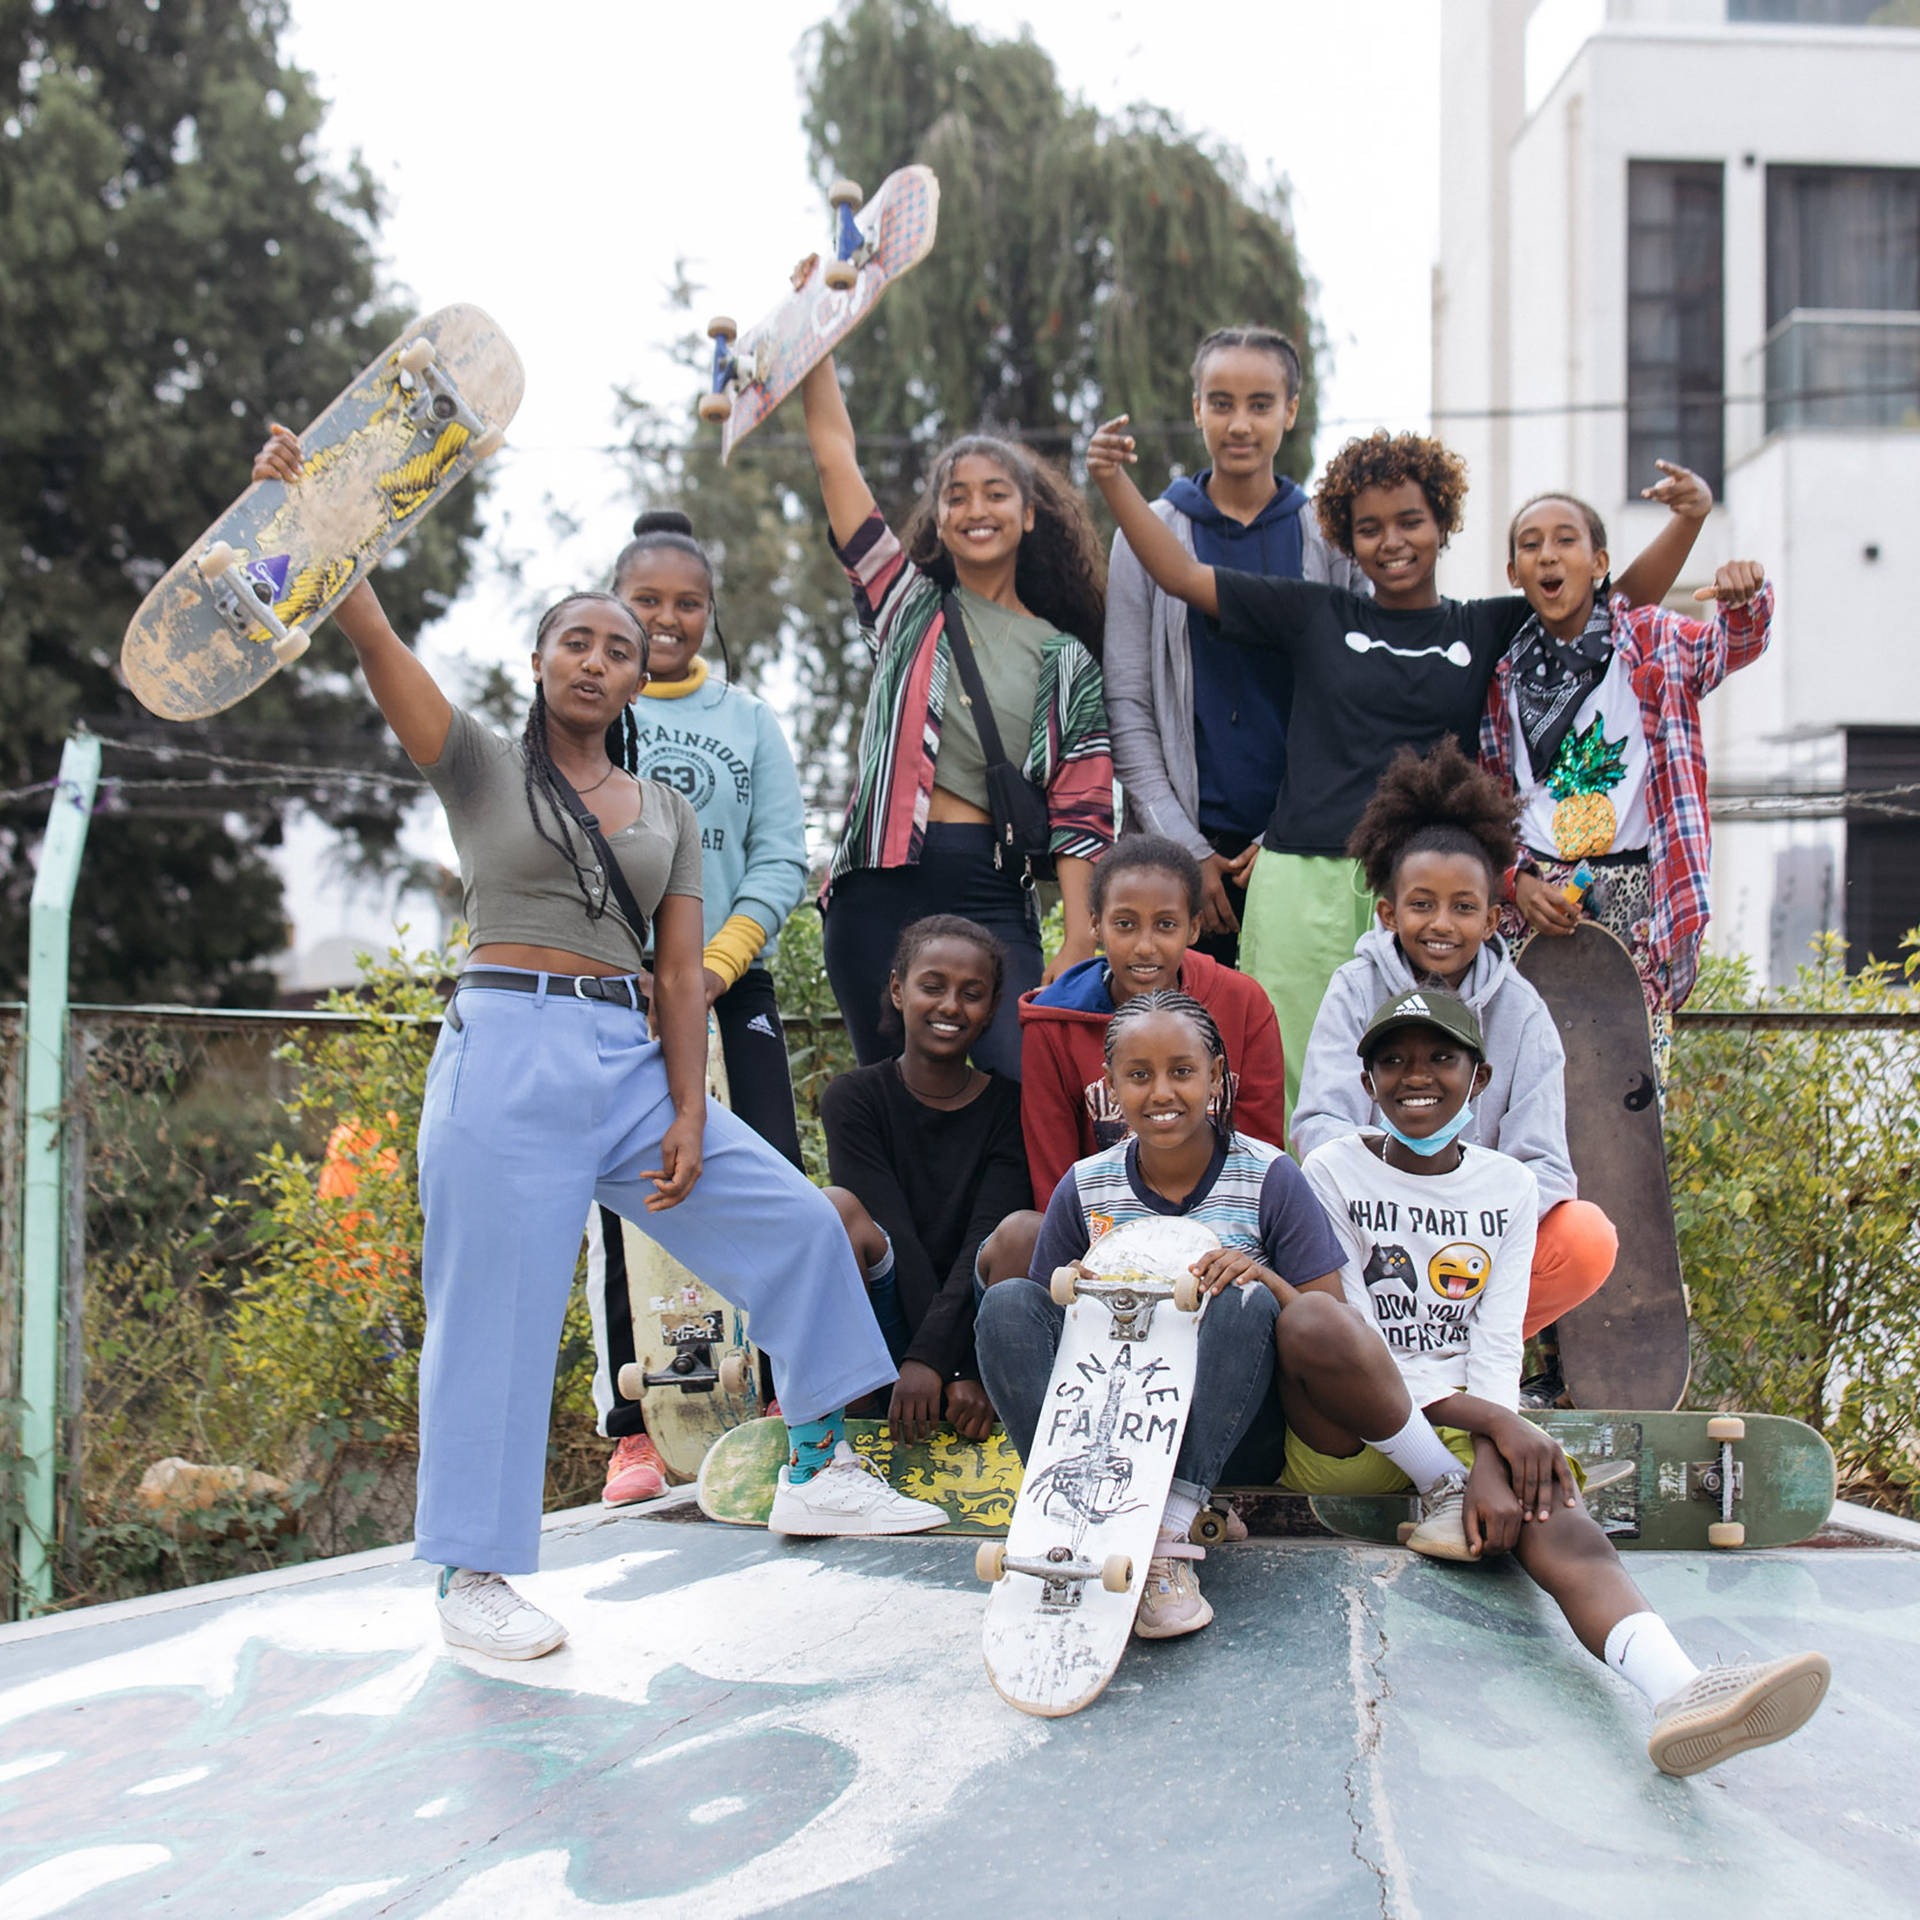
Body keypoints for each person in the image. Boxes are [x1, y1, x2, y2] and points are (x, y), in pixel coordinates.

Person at [249, 427, 946, 1660]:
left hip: (629, 1063)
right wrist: (309, 515)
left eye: (619, 649)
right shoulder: (477, 765)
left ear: (637, 681)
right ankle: (472, 1579)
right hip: (505, 1053)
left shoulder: (665, 808)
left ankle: (817, 1465)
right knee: (495, 1320)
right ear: (539, 660)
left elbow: (683, 973)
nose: (598, 658)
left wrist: (687, 1110)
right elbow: (374, 639)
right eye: (578, 637)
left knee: (792, 1222)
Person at [1086, 416, 1712, 1126]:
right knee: (1289, 1077)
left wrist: (1688, 523)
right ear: (1347, 539)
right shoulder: (1314, 613)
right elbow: (1181, 574)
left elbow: (1607, 606)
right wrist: (1111, 480)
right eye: (1369, 527)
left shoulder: (1487, 626)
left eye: (1410, 521)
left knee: (1419, 1086)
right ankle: (1288, 1229)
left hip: (1426, 893)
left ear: (1441, 523)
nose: (1392, 542)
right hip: (1303, 883)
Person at [1281, 986, 1830, 1776]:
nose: (1417, 1076)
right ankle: (1444, 1483)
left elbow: (1499, 1340)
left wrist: (1500, 1448)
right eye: (1393, 1061)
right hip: (1355, 1424)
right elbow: (1365, 1343)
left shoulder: (1508, 1185)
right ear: (1366, 1083)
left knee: (1557, 1513)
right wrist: (1500, 1427)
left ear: (1481, 1076)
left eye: (1442, 1057)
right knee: (1315, 1323)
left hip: (1463, 1422)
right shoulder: (1332, 1168)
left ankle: (1681, 1691)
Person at [975, 990, 1346, 1639]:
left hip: (1229, 1437)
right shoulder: (1087, 1185)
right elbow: (1047, 1336)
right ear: (1111, 1088)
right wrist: (1084, 1295)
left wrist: (1260, 1276)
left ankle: (1168, 1536)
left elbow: (1329, 1322)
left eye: (1182, 1071)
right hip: (1109, 1434)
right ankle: (1069, 1514)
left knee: (1239, 1292)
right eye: (1138, 1075)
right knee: (1008, 1303)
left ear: (1218, 1082)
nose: (1162, 1091)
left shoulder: (1270, 1177)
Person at [799, 345, 1115, 1079]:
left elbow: (1083, 813)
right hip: (878, 884)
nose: (977, 508)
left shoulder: (1066, 657)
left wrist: (1076, 942)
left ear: (1030, 514)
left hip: (989, 886)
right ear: (937, 520)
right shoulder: (905, 608)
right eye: (958, 495)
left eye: (996, 493)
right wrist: (816, 339)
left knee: (1014, 1082)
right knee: (894, 1095)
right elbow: (834, 459)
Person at [585, 508, 810, 1508]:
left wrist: (716, 967)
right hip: (622, 987)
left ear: (710, 615)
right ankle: (635, 1429)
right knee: (622, 1199)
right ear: (614, 609)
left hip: (728, 978)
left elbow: (780, 859)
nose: (666, 620)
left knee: (769, 1181)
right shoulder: (588, 714)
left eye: (687, 604)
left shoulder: (748, 720)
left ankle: (782, 1394)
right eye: (646, 602)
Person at [1290, 740, 1616, 1406]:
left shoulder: (1521, 1011)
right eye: (1422, 905)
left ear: (1494, 917)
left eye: (1463, 907)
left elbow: (1546, 1168)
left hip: (1470, 1256)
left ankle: (1458, 1372)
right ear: (1388, 912)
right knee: (1291, 1219)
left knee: (1586, 1239)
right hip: (1371, 1239)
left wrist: (1461, 1207)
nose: (1442, 924)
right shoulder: (1356, 989)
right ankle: (1381, 1367)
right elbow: (1319, 1126)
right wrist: (1392, 1192)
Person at [1486, 491, 1774, 1090]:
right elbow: (1490, 800)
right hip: (1532, 899)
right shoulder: (1503, 670)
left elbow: (1729, 649)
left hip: (1636, 898)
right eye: (1530, 544)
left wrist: (1746, 598)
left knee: (1628, 1096)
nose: (1548, 556)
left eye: (1566, 540)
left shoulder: (1651, 639)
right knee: (1523, 1090)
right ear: (1514, 573)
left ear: (1599, 563)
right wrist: (1515, 881)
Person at [1103, 325, 1368, 968]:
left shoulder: (1328, 536)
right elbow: (1129, 705)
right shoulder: (1151, 532)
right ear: (1196, 409)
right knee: (1178, 1053)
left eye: (1260, 403)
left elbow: (1355, 701)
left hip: (1303, 850)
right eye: (1220, 402)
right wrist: (1185, 849)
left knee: (1286, 1053)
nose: (1240, 423)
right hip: (1179, 860)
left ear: (1291, 411)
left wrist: (1284, 838)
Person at [818, 916, 1031, 1446]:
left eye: (972, 993)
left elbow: (986, 1233)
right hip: (890, 1330)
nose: (950, 1006)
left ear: (992, 1007)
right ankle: (856, 1409)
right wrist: (925, 1364)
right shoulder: (854, 1099)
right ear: (897, 989)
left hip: (976, 1335)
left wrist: (960, 1368)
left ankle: (1002, 1402)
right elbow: (895, 1236)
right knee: (834, 1208)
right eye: (932, 986)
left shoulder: (1011, 1107)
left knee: (1025, 1231)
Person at [1017, 831, 1288, 1202]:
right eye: (1125, 924)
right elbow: (1054, 1182)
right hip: (1100, 1231)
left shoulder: (1243, 1004)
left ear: (1193, 927)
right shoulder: (1054, 1025)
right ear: (1096, 924)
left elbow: (1264, 1161)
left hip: (1228, 1228)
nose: (1145, 947)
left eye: (1165, 925)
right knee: (1020, 1233)